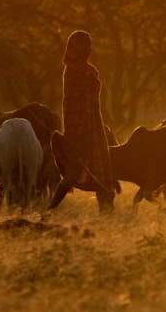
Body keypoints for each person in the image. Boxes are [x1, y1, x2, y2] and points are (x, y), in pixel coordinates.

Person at [48, 30, 117, 211]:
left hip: (93, 128)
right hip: (76, 131)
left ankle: (107, 213)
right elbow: (70, 105)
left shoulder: (90, 71)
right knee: (72, 175)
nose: (89, 48)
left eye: (89, 45)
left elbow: (93, 97)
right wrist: (77, 134)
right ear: (75, 48)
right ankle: (50, 208)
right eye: (84, 45)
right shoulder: (70, 72)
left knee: (103, 173)